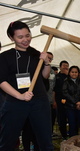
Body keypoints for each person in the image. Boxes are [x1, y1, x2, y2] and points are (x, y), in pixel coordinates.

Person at [0, 21, 53, 150]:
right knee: (8, 139)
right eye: (20, 37)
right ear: (12, 38)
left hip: (39, 100)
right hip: (15, 101)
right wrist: (20, 96)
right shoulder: (4, 57)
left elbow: (44, 76)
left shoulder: (35, 54)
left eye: (27, 35)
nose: (25, 40)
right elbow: (1, 81)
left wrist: (46, 62)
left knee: (45, 139)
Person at [62, 65, 80, 136]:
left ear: (78, 73)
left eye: (76, 72)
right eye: (72, 72)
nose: (74, 74)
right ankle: (73, 143)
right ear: (69, 73)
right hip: (70, 107)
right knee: (72, 126)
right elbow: (65, 93)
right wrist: (76, 102)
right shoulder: (66, 81)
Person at [53, 60, 69, 140]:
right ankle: (64, 135)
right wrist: (54, 101)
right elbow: (54, 90)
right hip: (59, 100)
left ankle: (71, 134)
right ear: (60, 67)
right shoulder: (57, 77)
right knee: (61, 118)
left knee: (70, 117)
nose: (66, 67)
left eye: (67, 65)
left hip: (69, 100)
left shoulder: (70, 76)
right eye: (64, 65)